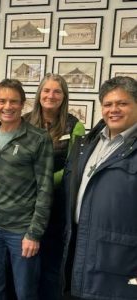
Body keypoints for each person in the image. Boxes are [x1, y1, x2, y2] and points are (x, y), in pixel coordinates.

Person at [63, 76, 137, 299]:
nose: (113, 110)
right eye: (107, 104)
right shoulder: (87, 143)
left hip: (121, 263)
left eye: (122, 103)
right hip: (80, 249)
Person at [0, 79, 54, 300]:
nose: (7, 106)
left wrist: (34, 233)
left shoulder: (38, 139)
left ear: (23, 105)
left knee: (25, 293)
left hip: (22, 230)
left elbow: (45, 189)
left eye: (13, 101)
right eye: (2, 101)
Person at [23, 74, 85, 299]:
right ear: (39, 94)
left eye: (57, 91)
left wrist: (41, 182)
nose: (51, 95)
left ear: (64, 96)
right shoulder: (24, 121)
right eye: (46, 90)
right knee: (25, 264)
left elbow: (73, 168)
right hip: (25, 204)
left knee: (51, 264)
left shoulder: (75, 126)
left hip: (57, 205)